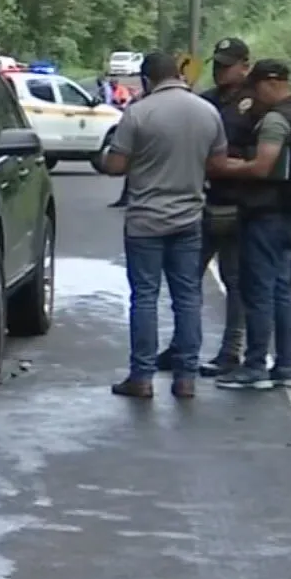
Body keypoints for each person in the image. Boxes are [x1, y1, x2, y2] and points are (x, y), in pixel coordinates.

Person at [94, 51, 228, 399]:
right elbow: (217, 164)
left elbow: (116, 166)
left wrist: (104, 157)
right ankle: (186, 378)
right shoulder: (207, 111)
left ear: (146, 79)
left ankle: (141, 377)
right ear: (178, 75)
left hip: (145, 221)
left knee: (145, 298)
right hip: (189, 219)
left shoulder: (139, 113)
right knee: (187, 298)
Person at [211, 59, 291, 391]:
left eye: (256, 90)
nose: (254, 98)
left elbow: (262, 167)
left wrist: (225, 167)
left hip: (268, 213)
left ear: (270, 83)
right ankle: (287, 366)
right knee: (282, 290)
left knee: (258, 291)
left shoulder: (274, 119)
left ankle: (255, 365)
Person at [184, 36, 254, 376]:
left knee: (235, 281)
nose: (220, 71)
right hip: (204, 200)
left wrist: (231, 162)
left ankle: (231, 350)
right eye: (218, 65)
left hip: (240, 202)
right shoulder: (206, 101)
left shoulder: (255, 104)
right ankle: (184, 345)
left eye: (228, 66)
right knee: (187, 277)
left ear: (245, 66)